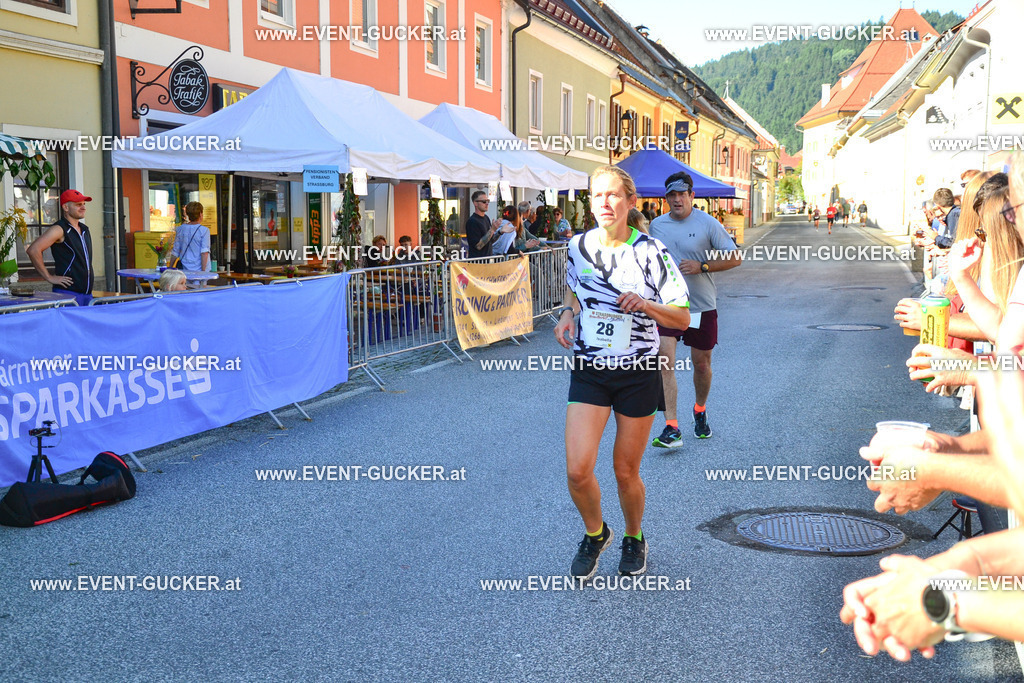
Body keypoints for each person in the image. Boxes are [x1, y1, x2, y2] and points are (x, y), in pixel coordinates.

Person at [554, 165, 690, 579]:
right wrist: (567, 312)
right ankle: (596, 534)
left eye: (614, 195)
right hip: (591, 368)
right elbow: (575, 289)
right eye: (598, 196)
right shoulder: (577, 246)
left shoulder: (652, 252)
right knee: (577, 470)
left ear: (631, 202)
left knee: (624, 471)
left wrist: (646, 305)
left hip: (638, 372)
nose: (605, 203)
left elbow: (682, 318)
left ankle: (634, 536)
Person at [649, 171, 742, 446]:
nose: (677, 200)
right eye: (671, 195)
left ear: (692, 196)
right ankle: (671, 426)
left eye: (682, 194)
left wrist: (702, 266)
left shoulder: (708, 223)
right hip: (667, 305)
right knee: (665, 360)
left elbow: (735, 257)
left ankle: (699, 410)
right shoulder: (656, 226)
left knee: (701, 365)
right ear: (666, 199)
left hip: (701, 305)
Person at [26, 189, 95, 306]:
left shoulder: (84, 229)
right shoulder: (59, 229)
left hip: (87, 294)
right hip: (67, 294)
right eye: (78, 204)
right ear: (66, 208)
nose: (83, 207)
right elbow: (33, 250)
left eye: (84, 204)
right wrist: (49, 277)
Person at [465, 190, 508, 258]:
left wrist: (500, 232)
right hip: (478, 262)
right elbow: (478, 246)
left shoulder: (486, 218)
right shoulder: (472, 221)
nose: (487, 204)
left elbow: (490, 240)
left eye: (488, 201)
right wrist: (492, 230)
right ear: (475, 203)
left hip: (488, 260)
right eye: (484, 202)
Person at [170, 201, 210, 272]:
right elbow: (204, 252)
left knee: (183, 283)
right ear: (200, 214)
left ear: (188, 214)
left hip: (183, 269)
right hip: (199, 269)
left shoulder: (180, 229)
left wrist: (170, 267)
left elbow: (175, 251)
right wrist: (203, 272)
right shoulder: (204, 230)